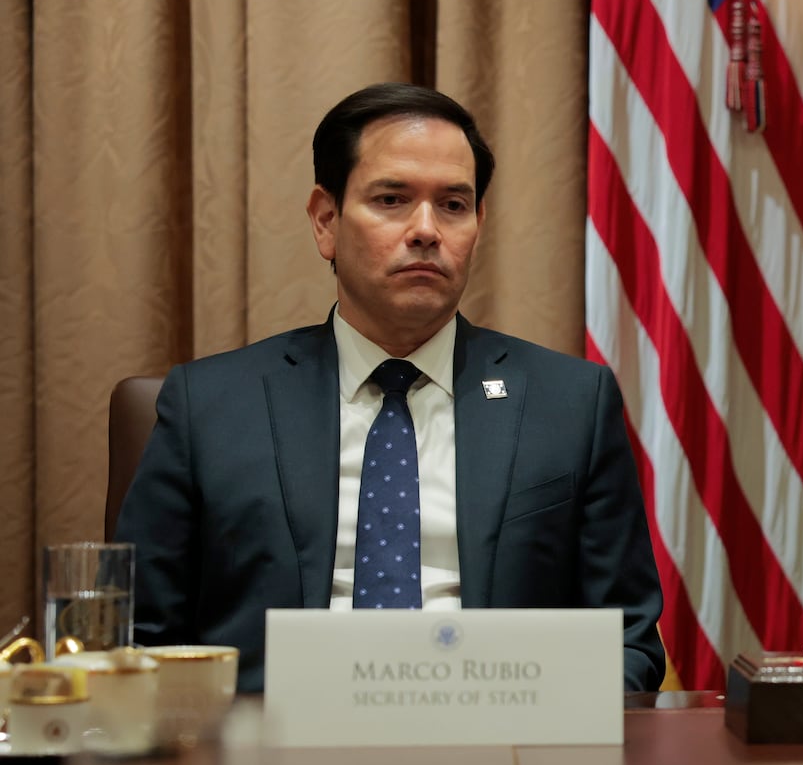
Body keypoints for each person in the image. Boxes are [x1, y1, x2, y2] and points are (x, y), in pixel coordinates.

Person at [119, 83, 666, 692]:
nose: (427, 229)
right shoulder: (211, 405)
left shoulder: (571, 403)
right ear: (326, 222)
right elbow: (138, 639)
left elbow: (627, 642)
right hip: (268, 759)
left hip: (502, 753)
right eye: (392, 199)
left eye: (454, 205)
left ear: (478, 227)